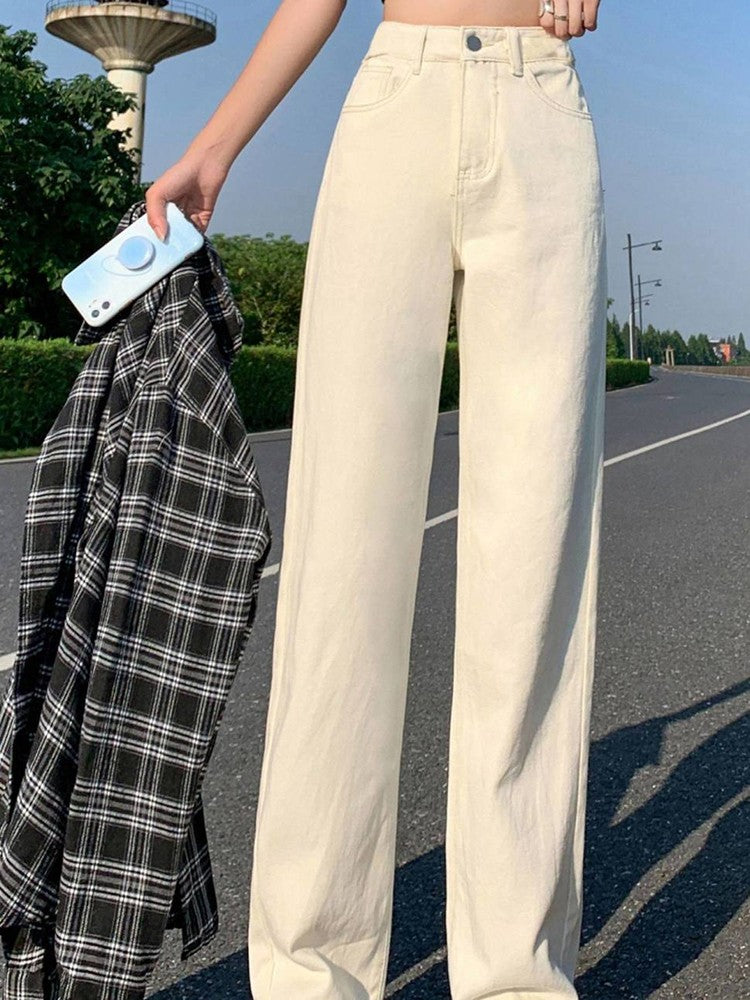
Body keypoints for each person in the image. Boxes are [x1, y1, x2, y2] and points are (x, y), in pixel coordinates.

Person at [146, 1, 606, 998]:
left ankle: (518, 976)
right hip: (396, 104)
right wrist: (215, 149)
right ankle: (312, 970)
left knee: (533, 565)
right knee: (341, 567)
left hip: (540, 107)